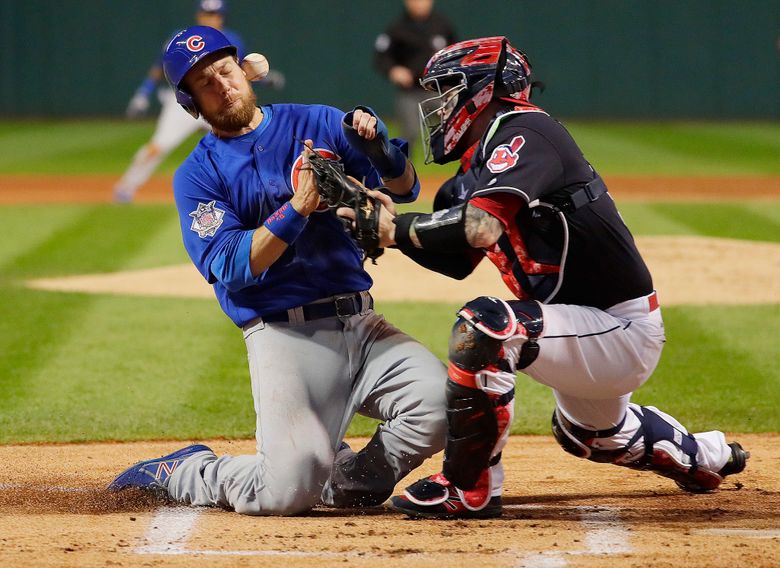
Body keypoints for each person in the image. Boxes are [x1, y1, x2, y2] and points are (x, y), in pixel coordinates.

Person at [345, 37, 749, 519]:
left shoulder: (525, 130)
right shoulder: (472, 170)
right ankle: (706, 456)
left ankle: (468, 488)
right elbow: (454, 260)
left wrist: (397, 230)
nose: (441, 103)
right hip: (579, 325)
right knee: (591, 435)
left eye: (450, 88)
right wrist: (389, 230)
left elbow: (478, 229)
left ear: (486, 88)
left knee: (485, 326)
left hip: (620, 326)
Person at [107, 25, 448, 516]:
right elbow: (231, 264)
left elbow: (405, 187)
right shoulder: (198, 174)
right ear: (191, 104)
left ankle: (349, 480)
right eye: (205, 83)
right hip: (285, 336)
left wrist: (379, 150)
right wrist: (298, 208)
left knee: (442, 403)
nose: (222, 85)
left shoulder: (319, 122)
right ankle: (187, 471)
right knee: (283, 494)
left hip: (362, 325)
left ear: (245, 71)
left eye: (225, 71)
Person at [113, 0, 284, 203]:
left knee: (249, 142)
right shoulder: (182, 39)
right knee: (159, 146)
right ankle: (126, 187)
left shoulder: (231, 39)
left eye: (215, 14)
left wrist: (264, 78)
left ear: (222, 17)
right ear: (199, 15)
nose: (211, 18)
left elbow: (239, 71)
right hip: (185, 104)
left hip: (221, 101)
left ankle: (270, 190)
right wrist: (144, 92)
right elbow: (161, 67)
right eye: (207, 13)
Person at [374, 0, 456, 157]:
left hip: (439, 90)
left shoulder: (442, 25)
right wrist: (393, 69)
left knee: (462, 124)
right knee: (410, 134)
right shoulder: (397, 29)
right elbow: (381, 57)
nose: (420, 4)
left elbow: (455, 52)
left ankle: (474, 169)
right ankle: (403, 174)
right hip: (411, 92)